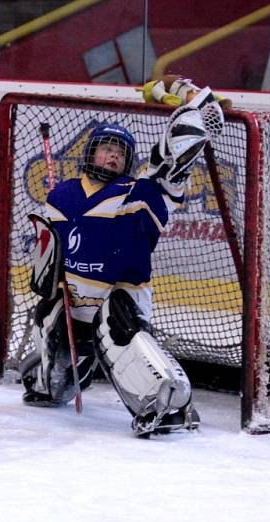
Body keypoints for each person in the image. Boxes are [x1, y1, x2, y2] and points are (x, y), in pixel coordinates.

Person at [21, 77, 226, 437]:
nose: (113, 155)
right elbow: (45, 259)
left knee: (117, 317)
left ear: (129, 161)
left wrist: (178, 94)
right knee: (47, 315)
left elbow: (184, 141)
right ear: (90, 152)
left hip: (117, 309)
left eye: (121, 151)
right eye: (106, 147)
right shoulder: (61, 196)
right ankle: (56, 377)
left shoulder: (142, 193)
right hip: (74, 311)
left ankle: (168, 402)